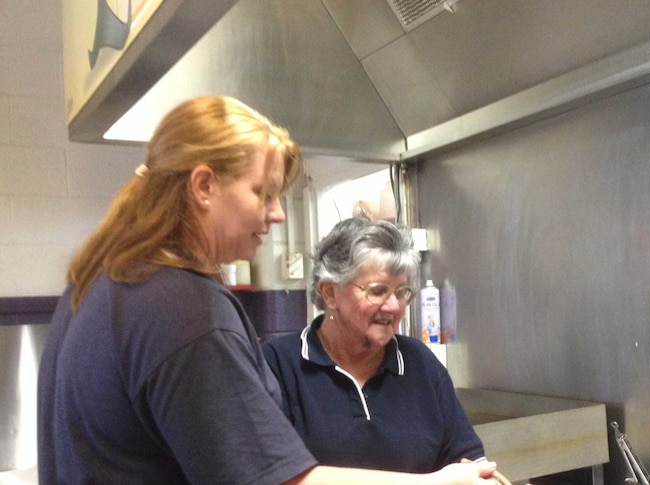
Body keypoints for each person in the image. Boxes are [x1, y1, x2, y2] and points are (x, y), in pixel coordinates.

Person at [37, 95, 498, 485]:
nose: (277, 214)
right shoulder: (184, 309)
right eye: (264, 193)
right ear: (204, 185)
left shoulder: (98, 282)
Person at [262, 218, 487, 473]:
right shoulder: (277, 364)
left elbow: (471, 463)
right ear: (330, 293)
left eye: (402, 292)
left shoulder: (419, 362)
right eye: (378, 291)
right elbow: (276, 475)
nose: (393, 306)